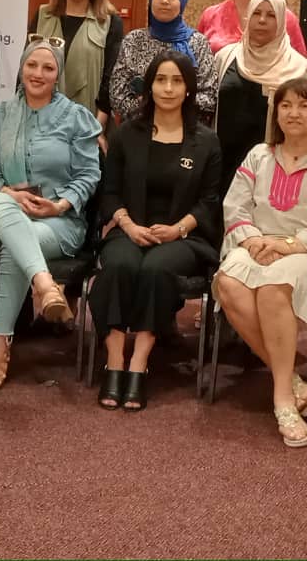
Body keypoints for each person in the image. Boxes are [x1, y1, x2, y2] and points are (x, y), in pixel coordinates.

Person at [214, 78, 307, 448]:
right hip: (258, 244)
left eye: (304, 105)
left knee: (273, 286)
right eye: (286, 105)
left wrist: (286, 245)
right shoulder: (259, 155)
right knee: (227, 282)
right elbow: (235, 207)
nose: (294, 113)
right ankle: (292, 381)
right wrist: (253, 240)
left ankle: (283, 401)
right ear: (275, 112)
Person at [90, 50, 223, 411]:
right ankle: (114, 358)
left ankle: (139, 360)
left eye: (177, 81)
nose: (168, 88)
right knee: (119, 265)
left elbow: (210, 201)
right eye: (161, 80)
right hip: (129, 228)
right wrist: (129, 225)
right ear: (149, 86)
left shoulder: (206, 140)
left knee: (155, 268)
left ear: (189, 89)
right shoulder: (126, 135)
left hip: (184, 237)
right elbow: (110, 191)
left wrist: (178, 229)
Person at [0, 39, 103, 393]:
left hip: (59, 223)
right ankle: (45, 285)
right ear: (21, 68)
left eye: (48, 67)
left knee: (17, 247)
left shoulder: (76, 118)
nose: (38, 74)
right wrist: (11, 194)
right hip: (3, 218)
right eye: (32, 65)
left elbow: (88, 175)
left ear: (58, 74)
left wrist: (59, 205)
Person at [214, 0, 307, 194]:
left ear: (282, 21)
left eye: (271, 15)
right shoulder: (225, 57)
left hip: (273, 168)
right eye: (257, 13)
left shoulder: (299, 68)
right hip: (222, 164)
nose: (262, 20)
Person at [29, 0, 124, 133]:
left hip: (88, 126)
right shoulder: (42, 15)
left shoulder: (110, 22)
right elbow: (26, 70)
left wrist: (97, 128)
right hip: (39, 124)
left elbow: (111, 81)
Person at [110, 0, 219, 124]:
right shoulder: (133, 40)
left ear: (183, 0)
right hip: (139, 128)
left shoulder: (198, 43)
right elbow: (117, 94)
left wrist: (171, 110)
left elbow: (209, 96)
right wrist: (152, 111)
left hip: (186, 131)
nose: (164, 1)